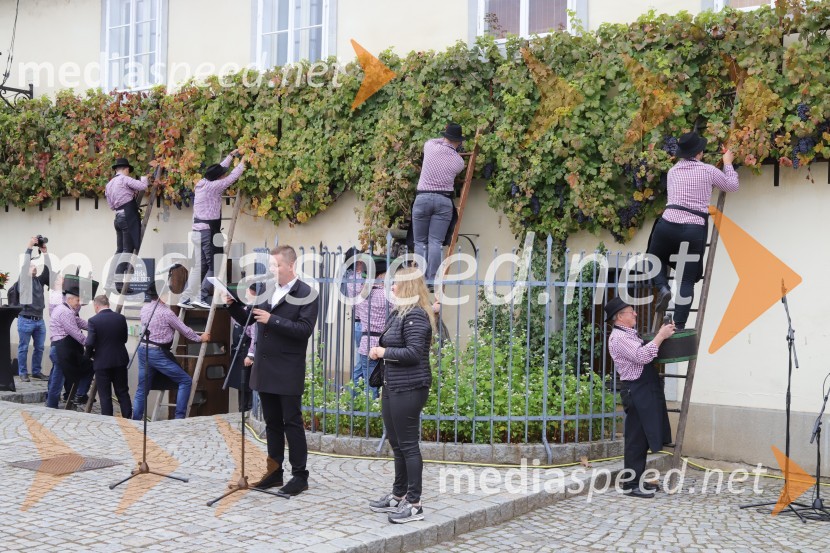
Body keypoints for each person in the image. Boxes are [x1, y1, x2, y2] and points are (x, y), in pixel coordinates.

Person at [226, 245, 319, 496]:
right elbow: (250, 318)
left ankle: (300, 476)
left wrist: (273, 319)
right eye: (271, 266)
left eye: (276, 266)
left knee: (292, 423)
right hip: (265, 367)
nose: (273, 270)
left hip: (288, 368)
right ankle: (274, 472)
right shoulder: (268, 291)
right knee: (272, 423)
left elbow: (304, 330)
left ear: (290, 265)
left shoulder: (307, 294)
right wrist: (232, 306)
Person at [646, 132, 739, 329]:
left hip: (668, 223)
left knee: (654, 257)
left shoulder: (672, 172)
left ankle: (662, 287)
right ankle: (679, 326)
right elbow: (732, 185)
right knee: (686, 280)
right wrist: (728, 162)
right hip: (692, 228)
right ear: (700, 152)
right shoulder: (708, 171)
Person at [368, 266, 435, 524]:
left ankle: (415, 504)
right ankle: (398, 494)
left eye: (396, 284)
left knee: (408, 445)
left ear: (408, 287)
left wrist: (383, 353)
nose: (392, 287)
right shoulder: (400, 314)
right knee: (396, 443)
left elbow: (414, 353)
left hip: (410, 388)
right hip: (392, 385)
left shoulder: (416, 316)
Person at [605, 296, 675, 498]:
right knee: (636, 438)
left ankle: (637, 480)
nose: (635, 313)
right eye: (631, 311)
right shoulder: (619, 338)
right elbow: (642, 356)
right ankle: (630, 485)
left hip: (644, 388)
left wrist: (664, 334)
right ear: (620, 317)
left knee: (643, 437)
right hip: (636, 391)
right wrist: (660, 336)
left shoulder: (628, 334)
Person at [179, 149, 246, 309]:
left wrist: (231, 156)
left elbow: (219, 170)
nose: (223, 175)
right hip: (208, 232)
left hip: (197, 231)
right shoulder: (214, 187)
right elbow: (231, 178)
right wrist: (243, 163)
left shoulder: (202, 182)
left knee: (200, 266)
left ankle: (185, 298)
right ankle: (200, 296)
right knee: (215, 265)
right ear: (217, 177)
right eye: (221, 174)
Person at [132, 286, 210, 420]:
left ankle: (136, 419)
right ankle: (179, 418)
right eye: (168, 293)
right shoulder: (166, 313)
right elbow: (183, 330)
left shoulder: (144, 309)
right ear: (163, 296)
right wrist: (200, 338)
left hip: (143, 348)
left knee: (142, 388)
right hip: (157, 352)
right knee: (185, 381)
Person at [412, 122, 466, 283]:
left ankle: (418, 278)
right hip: (443, 201)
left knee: (420, 241)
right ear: (459, 141)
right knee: (435, 241)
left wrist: (445, 139)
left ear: (445, 137)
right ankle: (432, 278)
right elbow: (452, 150)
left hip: (422, 198)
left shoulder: (430, 147)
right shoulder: (459, 162)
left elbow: (433, 140)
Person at [46, 273, 92, 408]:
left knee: (59, 377)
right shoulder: (65, 312)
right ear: (70, 299)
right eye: (77, 301)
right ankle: (52, 405)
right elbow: (75, 332)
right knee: (58, 379)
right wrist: (89, 343)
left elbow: (80, 322)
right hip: (61, 349)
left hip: (61, 348)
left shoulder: (67, 309)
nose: (79, 304)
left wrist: (96, 325)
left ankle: (58, 401)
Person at [349, 256, 391, 399]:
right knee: (383, 387)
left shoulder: (361, 294)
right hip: (382, 345)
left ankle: (364, 414)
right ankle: (376, 417)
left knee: (370, 384)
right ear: (381, 275)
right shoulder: (387, 295)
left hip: (365, 344)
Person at [85, 295, 132, 418]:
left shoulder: (93, 321)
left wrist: (88, 356)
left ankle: (108, 421)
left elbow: (89, 342)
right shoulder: (120, 318)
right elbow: (124, 339)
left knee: (105, 395)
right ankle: (128, 419)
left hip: (102, 361)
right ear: (108, 304)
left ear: (96, 306)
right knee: (122, 392)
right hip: (120, 360)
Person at [16, 237, 51, 382]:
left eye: (35, 266)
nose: (34, 267)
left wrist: (45, 253)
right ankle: (23, 373)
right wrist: (29, 247)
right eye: (31, 266)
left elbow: (48, 272)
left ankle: (36, 371)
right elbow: (25, 264)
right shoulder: (23, 280)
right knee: (23, 347)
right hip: (25, 319)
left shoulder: (39, 280)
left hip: (39, 320)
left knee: (40, 348)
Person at [105, 157, 148, 261]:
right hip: (127, 217)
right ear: (126, 169)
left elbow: (111, 206)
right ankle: (118, 277)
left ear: (116, 169)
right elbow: (143, 186)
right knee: (127, 250)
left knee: (119, 250)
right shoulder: (125, 179)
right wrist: (145, 178)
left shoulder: (109, 184)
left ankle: (112, 276)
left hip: (118, 218)